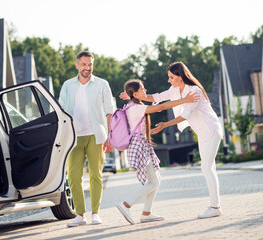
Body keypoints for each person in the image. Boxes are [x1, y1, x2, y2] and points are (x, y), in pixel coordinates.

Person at [121, 61, 224, 219]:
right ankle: (214, 205)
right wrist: (134, 95)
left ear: (180, 77)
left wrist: (165, 125)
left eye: (171, 77)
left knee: (207, 167)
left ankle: (215, 206)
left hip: (211, 130)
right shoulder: (175, 89)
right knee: (207, 167)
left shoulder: (194, 91)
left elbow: (185, 115)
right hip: (202, 133)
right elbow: (157, 98)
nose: (169, 80)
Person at [116, 79, 200, 225]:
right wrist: (184, 100)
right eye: (142, 89)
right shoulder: (135, 108)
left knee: (156, 179)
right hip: (140, 146)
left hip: (143, 145)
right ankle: (126, 205)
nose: (145, 91)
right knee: (153, 182)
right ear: (135, 93)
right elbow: (161, 107)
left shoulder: (133, 105)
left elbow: (154, 102)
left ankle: (146, 213)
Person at [59, 51, 114, 227]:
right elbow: (61, 111)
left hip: (96, 135)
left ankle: (96, 213)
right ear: (77, 65)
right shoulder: (68, 85)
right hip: (74, 137)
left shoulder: (101, 84)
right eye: (83, 64)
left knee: (95, 175)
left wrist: (110, 136)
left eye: (89, 64)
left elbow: (109, 111)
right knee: (74, 176)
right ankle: (80, 215)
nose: (87, 68)